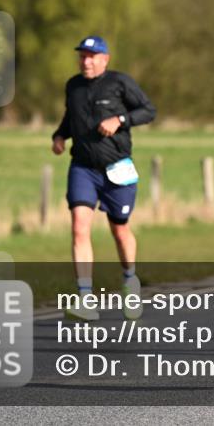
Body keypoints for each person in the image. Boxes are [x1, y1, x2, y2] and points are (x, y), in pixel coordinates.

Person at [52, 36, 156, 320]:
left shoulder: (120, 82)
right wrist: (60, 136)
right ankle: (85, 297)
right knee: (79, 227)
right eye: (82, 56)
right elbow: (69, 118)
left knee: (119, 229)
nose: (86, 61)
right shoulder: (73, 86)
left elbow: (148, 111)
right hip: (83, 167)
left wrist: (119, 120)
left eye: (92, 56)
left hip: (117, 168)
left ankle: (129, 280)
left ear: (105, 59)